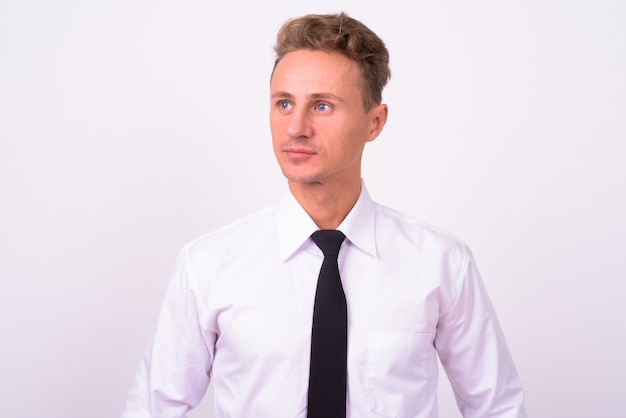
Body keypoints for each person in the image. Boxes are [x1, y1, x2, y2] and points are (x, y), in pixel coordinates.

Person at [122, 12, 527, 418]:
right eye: (284, 103)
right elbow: (152, 409)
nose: (296, 127)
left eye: (322, 105)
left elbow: (498, 408)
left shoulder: (440, 262)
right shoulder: (207, 264)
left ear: (375, 122)